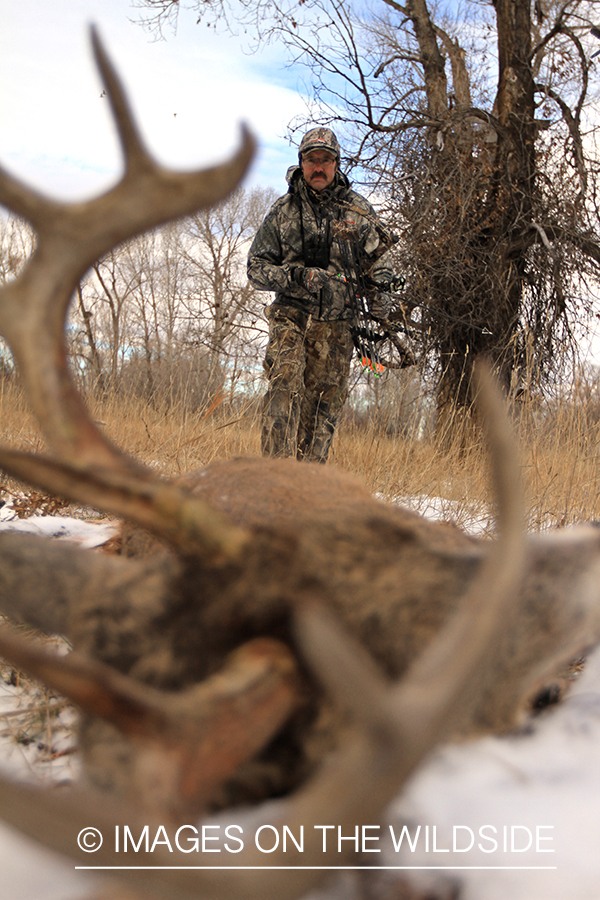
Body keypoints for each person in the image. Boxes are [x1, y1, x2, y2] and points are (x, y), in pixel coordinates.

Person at [247, 127, 395, 463]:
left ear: (336, 164)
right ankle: (274, 479)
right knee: (284, 387)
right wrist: (297, 276)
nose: (318, 167)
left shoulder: (358, 211)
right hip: (291, 317)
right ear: (301, 163)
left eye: (325, 160)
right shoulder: (283, 210)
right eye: (311, 159)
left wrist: (381, 296)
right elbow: (255, 268)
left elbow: (381, 262)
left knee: (324, 409)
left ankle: (306, 491)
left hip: (338, 325)